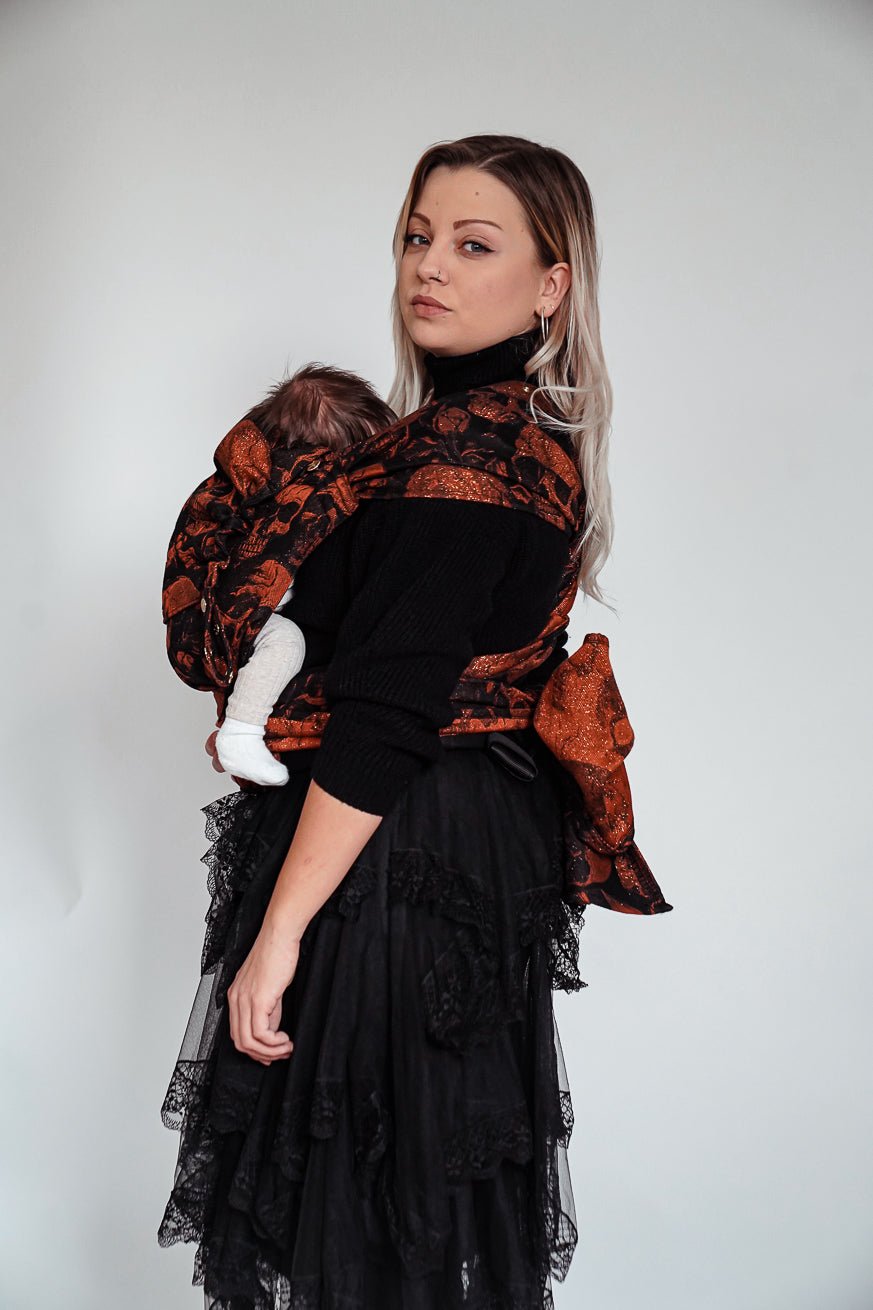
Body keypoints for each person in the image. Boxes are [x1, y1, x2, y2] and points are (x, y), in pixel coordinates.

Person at [158, 133, 620, 1309]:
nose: (432, 265)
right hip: (447, 846)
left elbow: (390, 711)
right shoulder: (484, 438)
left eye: (474, 244)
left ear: (552, 284)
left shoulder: (467, 450)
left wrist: (278, 933)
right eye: (418, 236)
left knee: (366, 1214)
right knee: (404, 1207)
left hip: (399, 856)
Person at [211, 363, 397, 786]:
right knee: (285, 644)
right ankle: (240, 733)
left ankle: (240, 727)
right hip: (248, 611)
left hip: (255, 613)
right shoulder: (299, 499)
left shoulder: (280, 488)